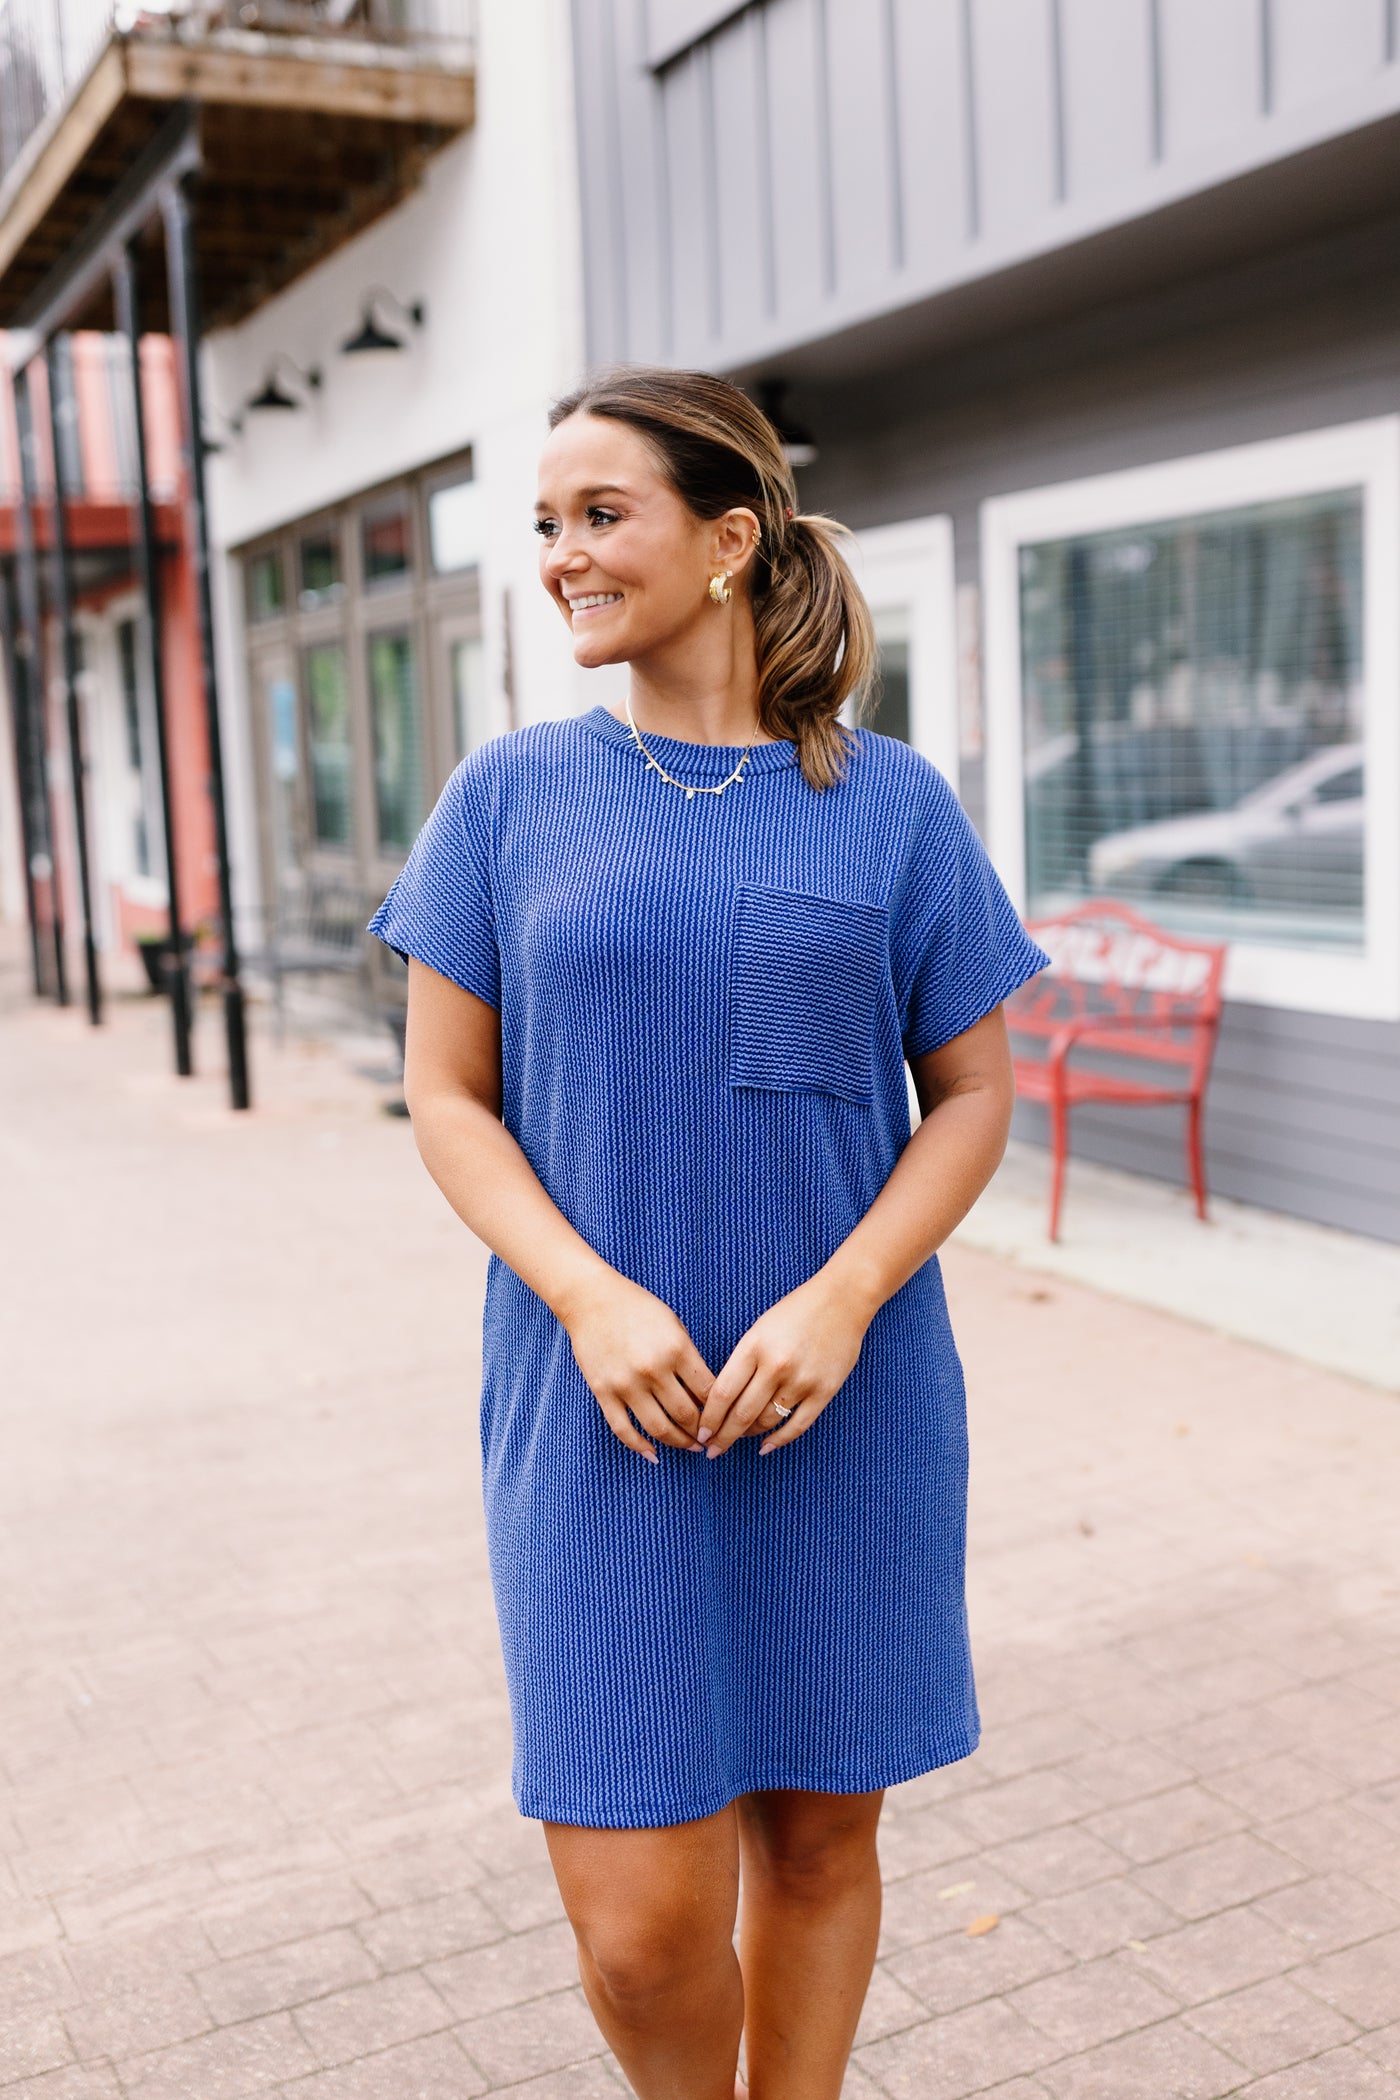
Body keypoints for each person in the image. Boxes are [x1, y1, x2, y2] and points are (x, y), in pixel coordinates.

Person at [369, 368, 1048, 2100]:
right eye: (546, 525)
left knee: (821, 1846)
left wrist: (847, 1293)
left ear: (731, 540)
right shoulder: (507, 799)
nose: (562, 556)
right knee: (641, 1931)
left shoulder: (891, 804)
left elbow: (972, 1093)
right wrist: (590, 1297)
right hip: (605, 1420)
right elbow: (447, 1099)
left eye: (602, 515)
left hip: (846, 1406)